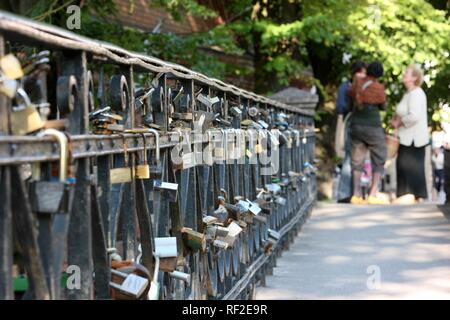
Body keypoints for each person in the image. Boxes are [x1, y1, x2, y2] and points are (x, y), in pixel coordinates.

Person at [348, 61, 388, 205]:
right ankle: (372, 194)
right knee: (379, 158)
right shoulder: (379, 87)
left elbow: (350, 95)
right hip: (373, 127)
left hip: (356, 125)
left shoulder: (357, 82)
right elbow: (383, 105)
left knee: (357, 159)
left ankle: (356, 195)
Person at [391, 64, 429, 202]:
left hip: (413, 139)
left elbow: (414, 116)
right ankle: (407, 196)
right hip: (406, 137)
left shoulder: (417, 93)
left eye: (407, 73)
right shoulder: (407, 94)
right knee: (402, 167)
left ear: (414, 77)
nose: (404, 75)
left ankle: (411, 196)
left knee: (409, 167)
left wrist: (399, 123)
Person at [335, 61, 367, 203]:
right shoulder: (346, 87)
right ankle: (346, 193)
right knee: (350, 157)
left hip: (360, 123)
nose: (363, 75)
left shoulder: (364, 87)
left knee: (356, 158)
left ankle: (352, 193)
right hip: (352, 123)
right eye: (361, 72)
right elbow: (341, 108)